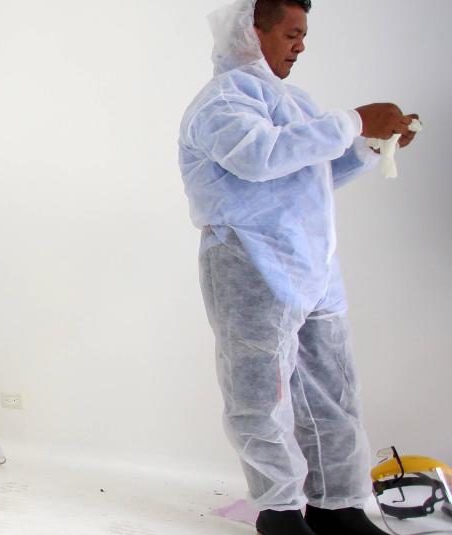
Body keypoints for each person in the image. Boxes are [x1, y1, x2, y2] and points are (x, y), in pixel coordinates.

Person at [177, 1, 420, 534]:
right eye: (292, 33)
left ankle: (338, 506)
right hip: (250, 263)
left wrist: (370, 145)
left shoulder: (292, 101)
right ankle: (279, 511)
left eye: (302, 34)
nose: (300, 45)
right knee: (260, 395)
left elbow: (309, 174)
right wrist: (354, 120)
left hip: (312, 265)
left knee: (331, 392)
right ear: (251, 31)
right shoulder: (222, 101)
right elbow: (259, 156)